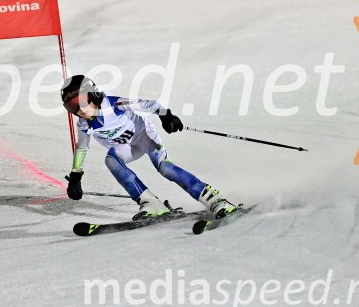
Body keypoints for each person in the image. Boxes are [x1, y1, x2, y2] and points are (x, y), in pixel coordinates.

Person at [61, 74, 238, 220]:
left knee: (165, 168)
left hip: (144, 135)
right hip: (126, 146)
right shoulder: (84, 125)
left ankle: (214, 199)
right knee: (111, 161)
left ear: (94, 94)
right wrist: (76, 175)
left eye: (81, 101)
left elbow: (149, 104)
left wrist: (166, 115)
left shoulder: (113, 104)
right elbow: (82, 148)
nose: (79, 110)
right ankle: (151, 203)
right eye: (72, 107)